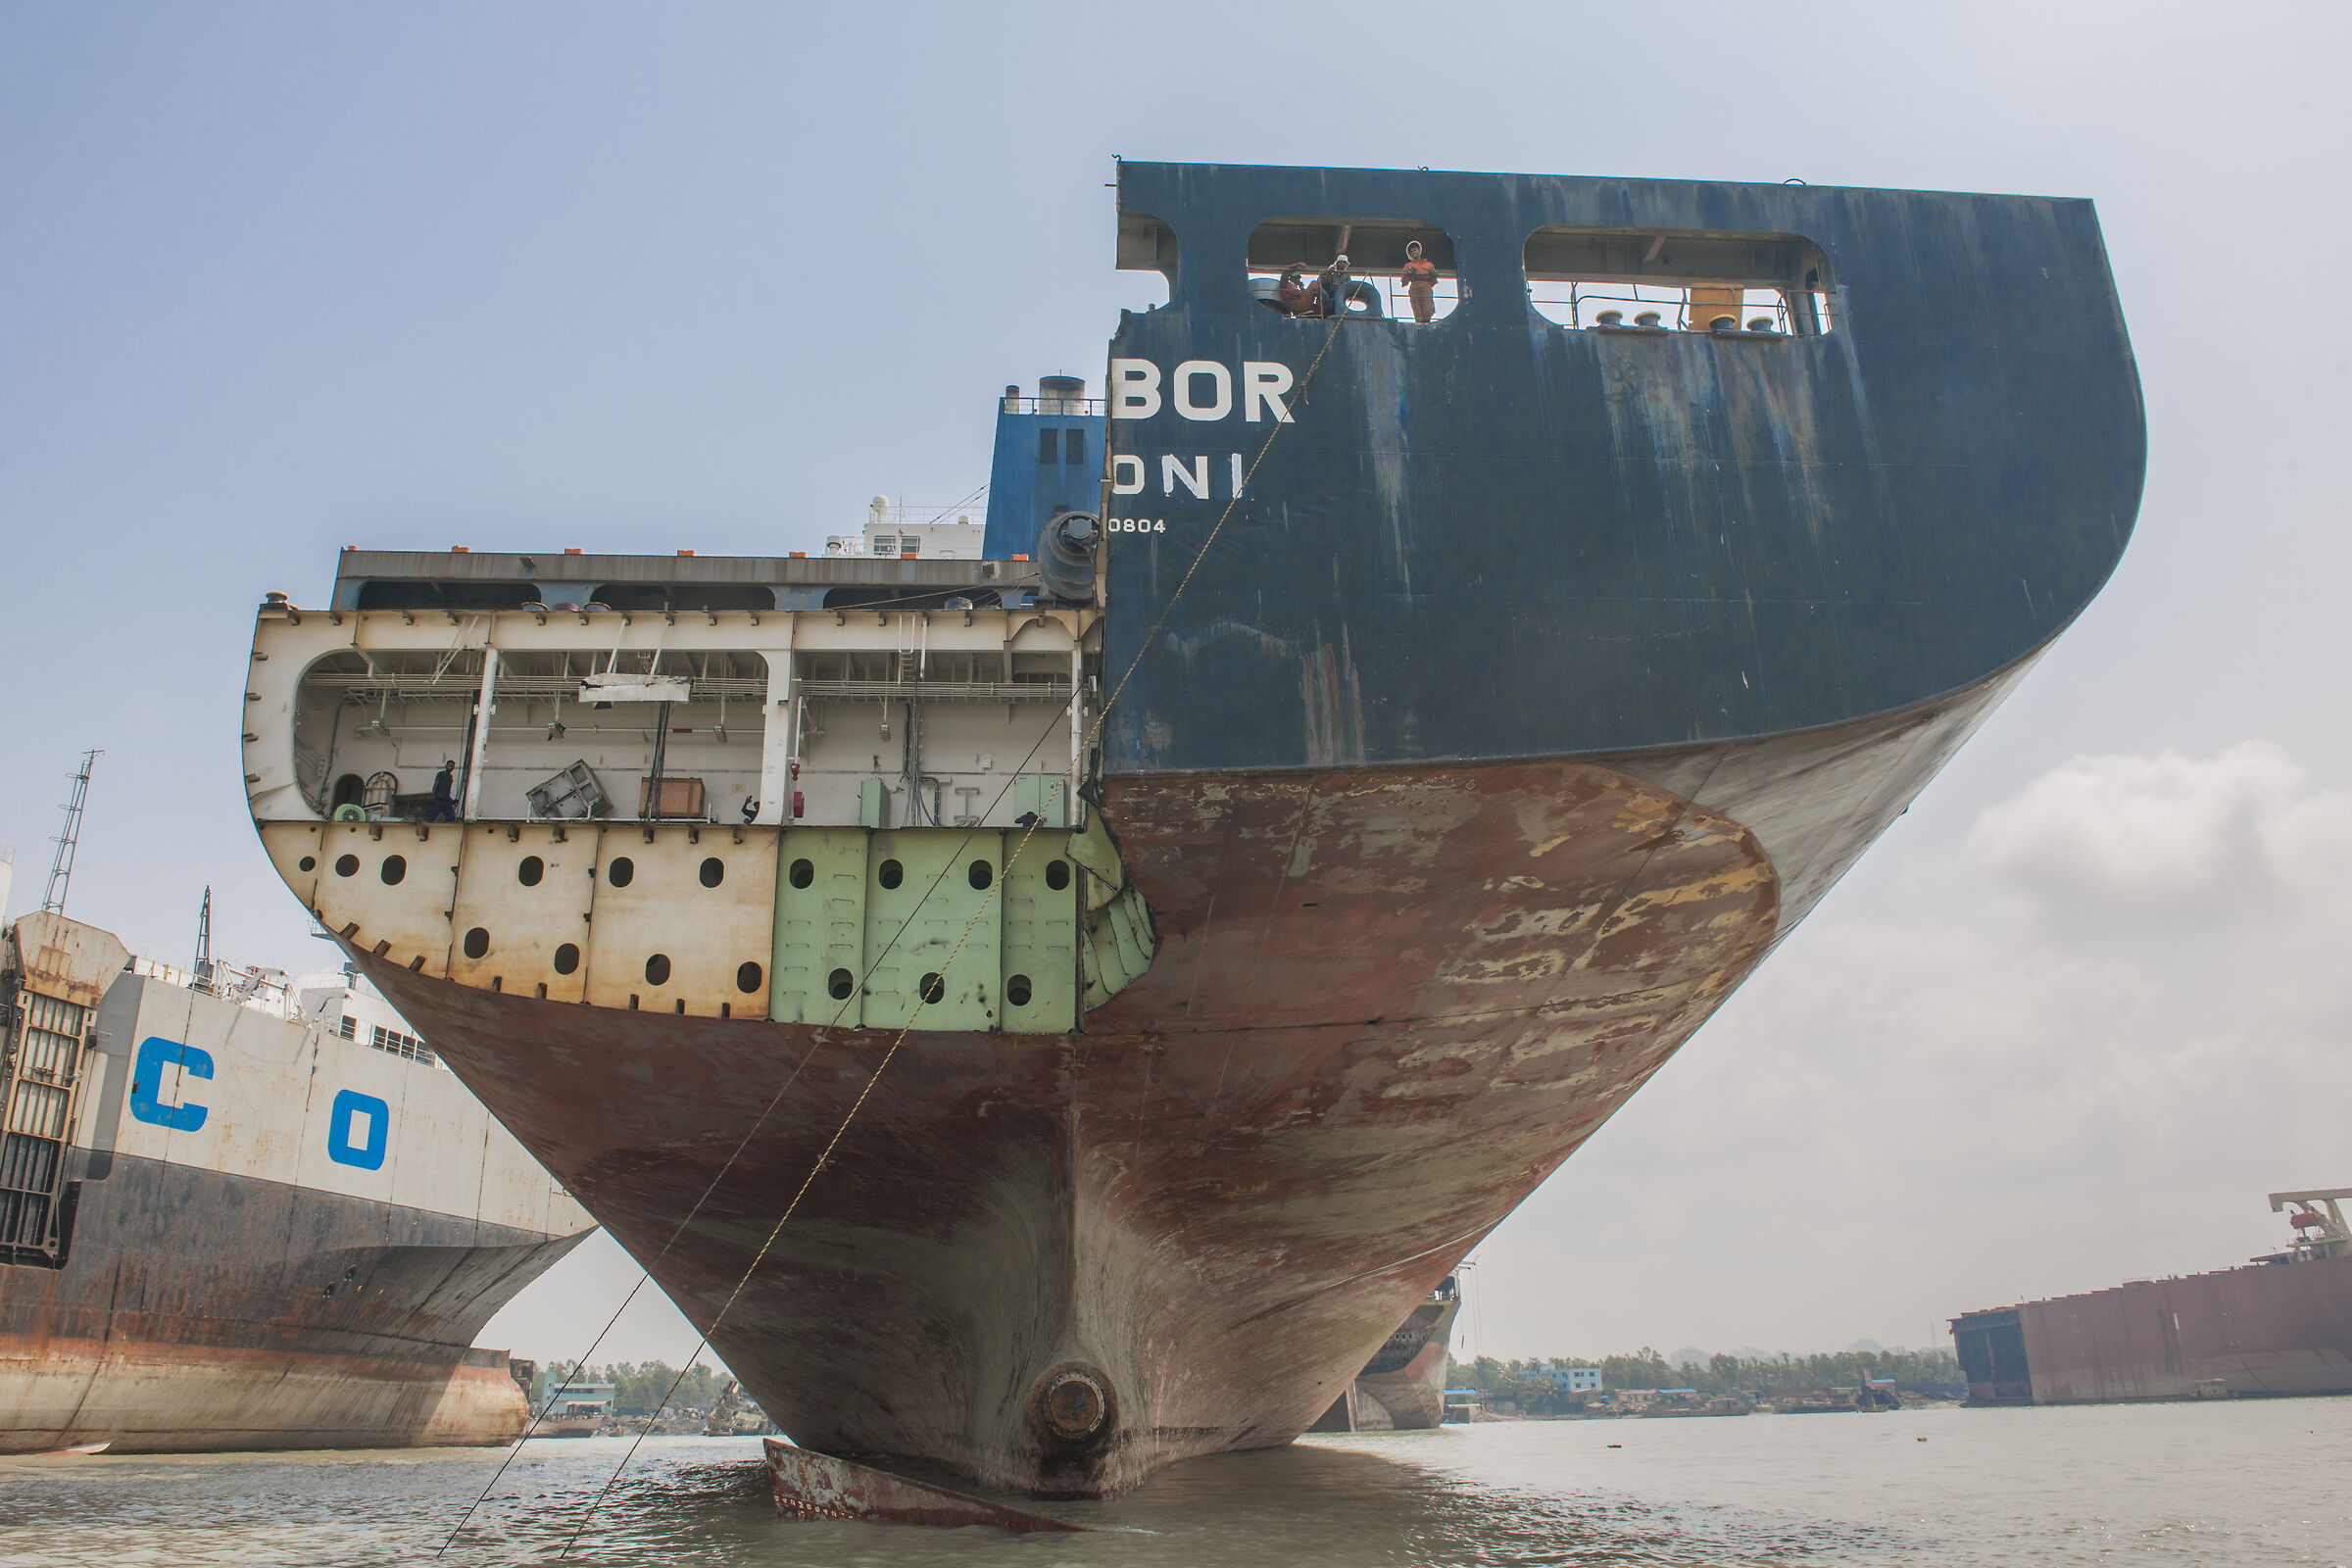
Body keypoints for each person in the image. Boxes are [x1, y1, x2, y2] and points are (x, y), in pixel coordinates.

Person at [1400, 239, 1440, 324]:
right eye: (1411, 251)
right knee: (1416, 307)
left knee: (1428, 308)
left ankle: (1427, 323)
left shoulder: (1429, 264)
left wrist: (1433, 275)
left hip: (1426, 286)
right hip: (1414, 286)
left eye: (1415, 250)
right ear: (1410, 254)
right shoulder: (1408, 266)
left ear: (1419, 251)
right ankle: (1419, 323)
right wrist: (1409, 274)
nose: (1414, 252)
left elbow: (1433, 282)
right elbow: (1404, 282)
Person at [1317, 254, 1352, 320]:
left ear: (1347, 265)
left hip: (1340, 297)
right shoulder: (1330, 273)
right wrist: (1329, 274)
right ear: (1337, 264)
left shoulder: (1347, 276)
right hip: (1329, 295)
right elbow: (1320, 283)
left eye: (1344, 262)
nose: (1342, 264)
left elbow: (1348, 288)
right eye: (1340, 262)